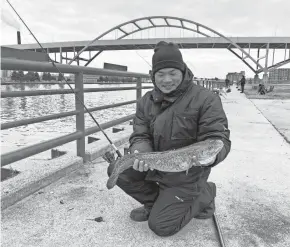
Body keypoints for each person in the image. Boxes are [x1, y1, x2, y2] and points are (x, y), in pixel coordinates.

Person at [107, 41, 231, 237]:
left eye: (172, 73)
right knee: (117, 169)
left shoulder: (206, 98)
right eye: (160, 74)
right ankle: (154, 204)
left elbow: (218, 138)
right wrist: (140, 153)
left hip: (187, 176)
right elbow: (140, 134)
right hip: (156, 166)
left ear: (183, 71)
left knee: (161, 226)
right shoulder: (146, 100)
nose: (166, 80)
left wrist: (212, 157)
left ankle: (205, 193)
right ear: (153, 75)